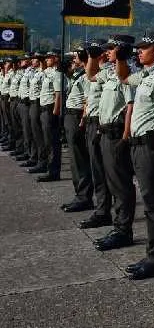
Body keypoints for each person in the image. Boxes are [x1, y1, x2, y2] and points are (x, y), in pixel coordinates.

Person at [115, 32, 154, 280]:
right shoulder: (146, 75)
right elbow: (124, 77)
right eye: (137, 48)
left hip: (152, 145)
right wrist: (120, 58)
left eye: (144, 48)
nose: (139, 51)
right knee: (149, 203)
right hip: (139, 145)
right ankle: (152, 253)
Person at [86, 35, 137, 251]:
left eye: (111, 49)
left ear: (122, 49)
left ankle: (123, 230)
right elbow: (90, 75)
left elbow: (131, 107)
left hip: (117, 133)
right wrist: (92, 56)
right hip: (104, 131)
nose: (106, 52)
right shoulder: (109, 72)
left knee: (121, 184)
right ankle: (117, 226)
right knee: (110, 181)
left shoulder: (129, 73)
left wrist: (125, 137)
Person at [79, 42, 113, 230]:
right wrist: (92, 56)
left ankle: (104, 211)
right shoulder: (100, 71)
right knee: (97, 170)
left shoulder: (111, 70)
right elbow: (90, 76)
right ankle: (102, 209)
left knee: (105, 171)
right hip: (92, 121)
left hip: (103, 124)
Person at [61, 50, 94, 212]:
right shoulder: (77, 74)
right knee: (74, 159)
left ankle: (84, 196)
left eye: (76, 57)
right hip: (70, 115)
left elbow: (88, 99)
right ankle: (79, 194)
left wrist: (82, 120)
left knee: (80, 159)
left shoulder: (86, 76)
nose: (73, 60)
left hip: (77, 116)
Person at [36, 51, 63, 182]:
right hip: (44, 109)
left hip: (50, 110)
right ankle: (48, 167)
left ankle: (53, 171)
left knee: (52, 142)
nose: (46, 59)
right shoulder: (48, 72)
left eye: (48, 57)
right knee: (47, 141)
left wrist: (55, 113)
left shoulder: (56, 74)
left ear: (56, 58)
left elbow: (58, 95)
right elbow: (42, 69)